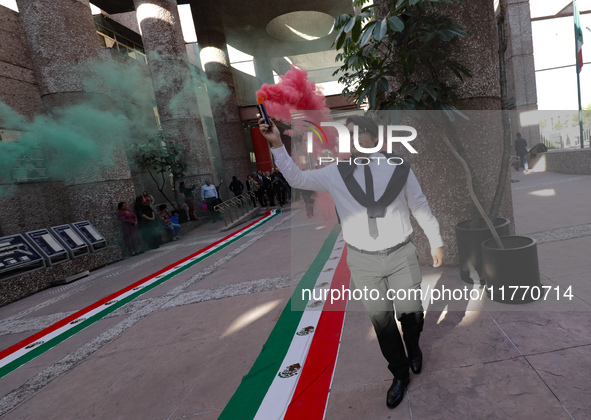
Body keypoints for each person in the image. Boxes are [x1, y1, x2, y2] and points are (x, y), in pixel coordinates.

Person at [259, 114, 444, 410]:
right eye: (349, 136)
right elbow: (297, 178)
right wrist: (277, 144)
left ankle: (414, 345)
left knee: (412, 315)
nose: (353, 141)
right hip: (362, 260)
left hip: (401, 254)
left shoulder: (399, 168)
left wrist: (435, 240)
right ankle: (399, 374)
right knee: (382, 322)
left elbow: (419, 204)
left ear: (374, 138)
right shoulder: (336, 172)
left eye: (359, 135)